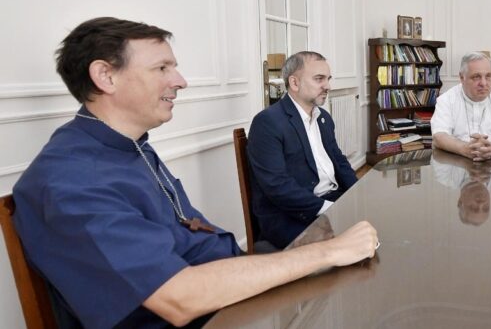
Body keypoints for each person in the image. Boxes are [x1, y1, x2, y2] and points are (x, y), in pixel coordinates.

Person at [11, 17, 378, 328]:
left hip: (224, 297)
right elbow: (180, 299)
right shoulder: (71, 180)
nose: (181, 81)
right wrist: (326, 252)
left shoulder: (128, 145)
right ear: (105, 76)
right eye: (162, 68)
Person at [247, 51, 358, 248]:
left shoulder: (323, 118)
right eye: (319, 79)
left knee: (379, 221)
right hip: (290, 215)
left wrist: (357, 193)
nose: (327, 86)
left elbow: (339, 161)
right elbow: (277, 186)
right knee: (351, 244)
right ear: (295, 83)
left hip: (329, 199)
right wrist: (329, 209)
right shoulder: (267, 123)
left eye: (328, 79)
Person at [431, 52, 491, 161]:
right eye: (476, 77)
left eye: (488, 76)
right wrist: (464, 148)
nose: (483, 83)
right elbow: (439, 135)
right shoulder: (446, 100)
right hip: (456, 165)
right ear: (462, 77)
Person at [432, 148, 491, 226]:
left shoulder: (446, 177)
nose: (481, 203)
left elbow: (437, 144)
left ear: (460, 201)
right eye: (486, 208)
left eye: (474, 208)